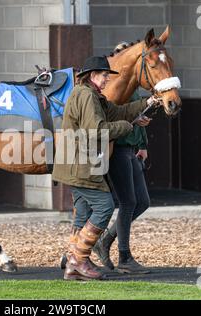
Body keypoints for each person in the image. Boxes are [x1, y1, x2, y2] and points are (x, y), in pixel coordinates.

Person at [52, 55, 160, 281]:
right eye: (103, 75)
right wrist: (128, 126)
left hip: (78, 166)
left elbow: (117, 113)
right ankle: (79, 259)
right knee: (104, 206)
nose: (106, 80)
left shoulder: (93, 96)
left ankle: (73, 267)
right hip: (80, 166)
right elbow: (98, 129)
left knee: (82, 215)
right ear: (92, 76)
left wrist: (147, 104)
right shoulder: (86, 96)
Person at [92, 89, 152, 274]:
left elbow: (135, 115)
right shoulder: (112, 92)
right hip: (117, 149)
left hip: (131, 148)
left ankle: (105, 240)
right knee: (128, 202)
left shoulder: (132, 90)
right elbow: (109, 120)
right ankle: (124, 257)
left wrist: (142, 144)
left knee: (142, 202)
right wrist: (134, 121)